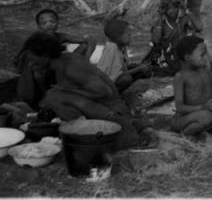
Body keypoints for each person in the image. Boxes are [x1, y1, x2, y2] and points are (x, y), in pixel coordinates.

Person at [18, 31, 157, 150]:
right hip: (102, 107)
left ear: (45, 55)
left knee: (54, 96)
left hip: (112, 111)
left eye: (33, 60)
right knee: (54, 96)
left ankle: (115, 131)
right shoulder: (62, 61)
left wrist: (69, 91)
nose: (30, 64)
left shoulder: (71, 68)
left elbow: (103, 92)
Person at [14, 9, 97, 109]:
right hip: (36, 70)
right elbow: (30, 61)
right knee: (38, 75)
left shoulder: (61, 36)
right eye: (44, 23)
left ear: (57, 23)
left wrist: (86, 58)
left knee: (83, 46)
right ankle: (46, 95)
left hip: (52, 66)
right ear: (39, 26)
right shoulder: (36, 39)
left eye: (52, 21)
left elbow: (88, 40)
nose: (49, 24)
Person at [142, 0, 197, 76]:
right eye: (169, 9)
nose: (173, 11)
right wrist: (161, 17)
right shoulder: (160, 24)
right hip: (165, 57)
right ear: (164, 11)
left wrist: (187, 11)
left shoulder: (183, 20)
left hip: (180, 55)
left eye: (175, 8)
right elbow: (156, 41)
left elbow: (199, 27)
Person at [96, 19, 150, 93]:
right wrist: (139, 68)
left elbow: (124, 67)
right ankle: (112, 95)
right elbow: (119, 74)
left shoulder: (122, 47)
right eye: (127, 33)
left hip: (116, 78)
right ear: (118, 36)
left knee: (136, 67)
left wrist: (140, 67)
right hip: (107, 83)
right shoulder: (111, 48)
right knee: (126, 79)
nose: (130, 35)